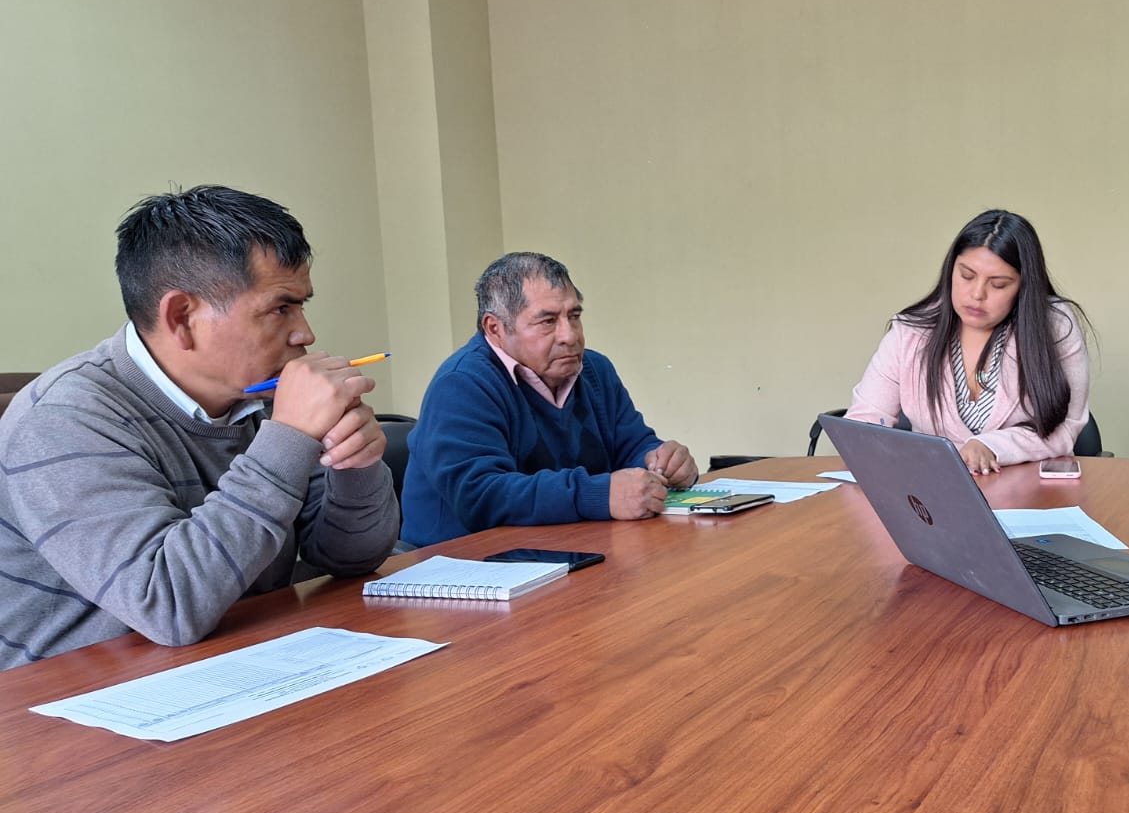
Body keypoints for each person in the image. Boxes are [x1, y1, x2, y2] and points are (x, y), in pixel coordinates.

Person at [0, 186, 400, 670]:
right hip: (81, 709)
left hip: (241, 664)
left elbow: (348, 558)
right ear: (182, 317)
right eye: (281, 308)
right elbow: (166, 605)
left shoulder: (261, 397)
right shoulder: (63, 418)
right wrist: (289, 439)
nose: (305, 334)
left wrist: (355, 466)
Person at [401, 252, 699, 545]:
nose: (569, 335)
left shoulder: (595, 370)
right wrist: (598, 494)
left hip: (568, 549)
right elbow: (481, 495)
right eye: (547, 321)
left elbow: (631, 445)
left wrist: (659, 461)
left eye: (574, 316)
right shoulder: (462, 383)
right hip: (466, 569)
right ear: (495, 329)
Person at [845, 209, 1091, 472]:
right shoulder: (910, 332)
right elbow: (864, 423)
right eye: (967, 275)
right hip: (935, 493)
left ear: (1023, 287)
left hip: (1029, 494)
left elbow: (1067, 427)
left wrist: (992, 446)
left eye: (998, 284)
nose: (976, 294)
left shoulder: (1053, 327)